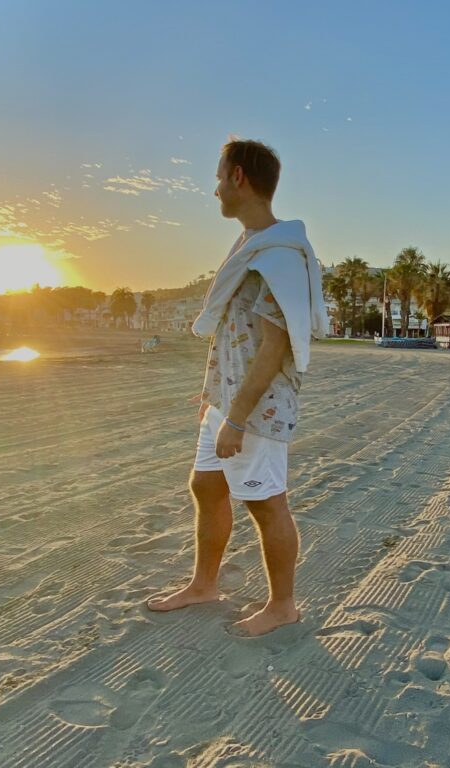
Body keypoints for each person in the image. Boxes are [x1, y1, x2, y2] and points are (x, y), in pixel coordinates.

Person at [147, 139, 326, 637]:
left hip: (256, 408)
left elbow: (274, 346)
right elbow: (237, 333)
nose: (216, 188)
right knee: (206, 485)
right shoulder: (251, 246)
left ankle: (283, 605)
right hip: (226, 399)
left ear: (239, 178)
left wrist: (237, 418)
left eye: (220, 176)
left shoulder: (280, 255)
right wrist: (213, 393)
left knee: (267, 503)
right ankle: (204, 584)